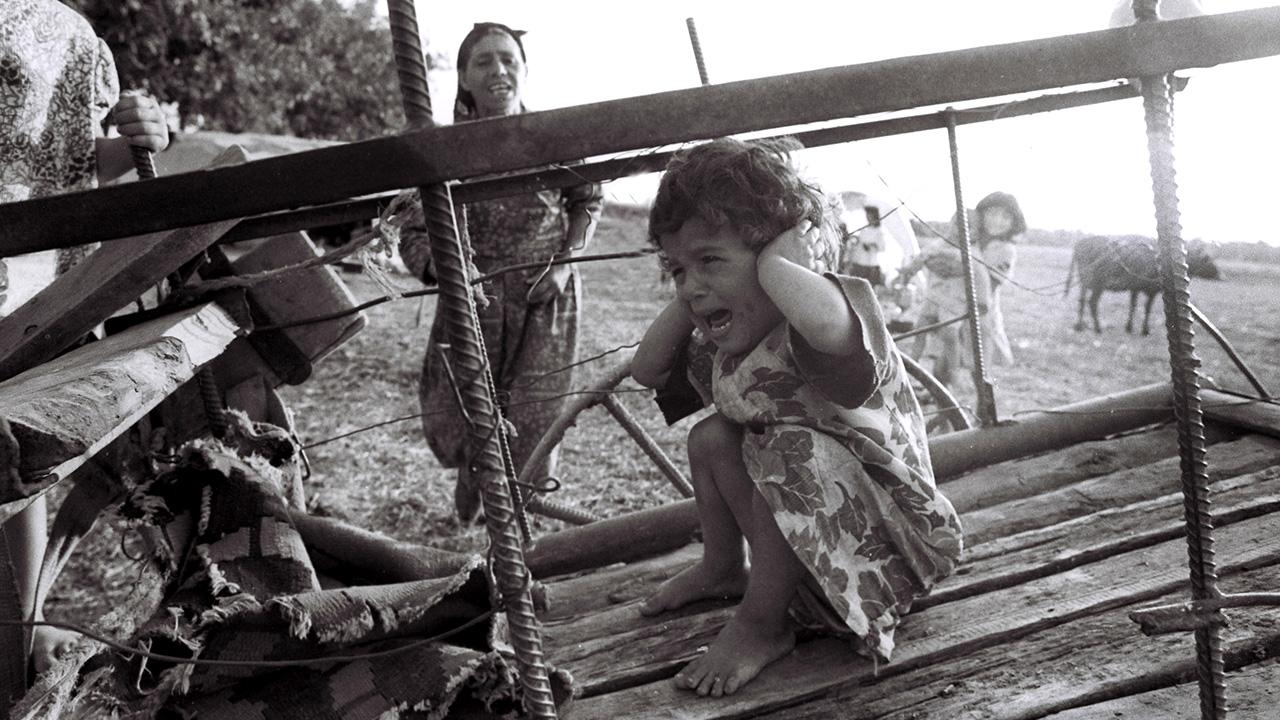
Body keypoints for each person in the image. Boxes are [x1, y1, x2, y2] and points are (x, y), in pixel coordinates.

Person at [631, 137, 963, 697]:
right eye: (675, 269)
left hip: (883, 551)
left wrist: (776, 264)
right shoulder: (734, 346)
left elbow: (830, 329)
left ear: (782, 259)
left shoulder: (827, 311)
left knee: (790, 448)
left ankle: (762, 625)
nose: (689, 286)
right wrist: (698, 282)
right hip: (808, 550)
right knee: (712, 437)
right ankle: (723, 566)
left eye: (710, 259)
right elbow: (646, 370)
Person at [0, 0, 170, 675]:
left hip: (21, 274)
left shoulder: (64, 33)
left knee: (15, 451)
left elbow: (71, 163)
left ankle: (25, 624)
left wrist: (139, 138)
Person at [396, 22, 603, 520]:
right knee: (465, 413)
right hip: (472, 303)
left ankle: (519, 521)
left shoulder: (552, 139)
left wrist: (564, 263)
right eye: (484, 61)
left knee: (537, 413)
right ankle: (477, 485)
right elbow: (410, 233)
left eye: (509, 59)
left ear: (524, 71)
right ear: (464, 78)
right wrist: (449, 273)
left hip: (546, 298)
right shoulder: (442, 150)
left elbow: (587, 201)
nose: (499, 70)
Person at [971, 191, 1025, 366]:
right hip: (954, 301)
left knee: (979, 359)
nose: (997, 221)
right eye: (992, 214)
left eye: (1005, 217)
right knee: (947, 354)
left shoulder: (1006, 250)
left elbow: (991, 283)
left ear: (1014, 223)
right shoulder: (971, 240)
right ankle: (940, 388)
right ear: (981, 214)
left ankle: (983, 391)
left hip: (982, 307)